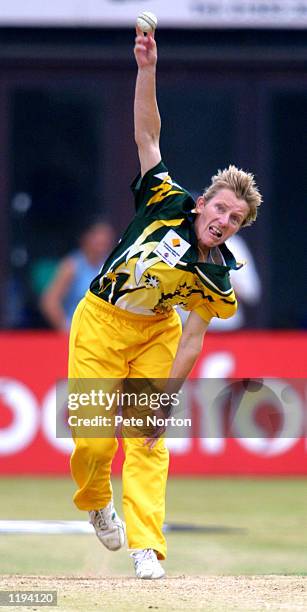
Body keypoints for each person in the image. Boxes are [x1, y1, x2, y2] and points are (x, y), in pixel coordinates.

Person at [68, 26, 262, 580]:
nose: (223, 222)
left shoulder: (218, 276)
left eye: (235, 220)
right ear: (202, 203)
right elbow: (147, 136)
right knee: (92, 440)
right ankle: (96, 503)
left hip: (157, 334)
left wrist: (164, 402)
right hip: (100, 323)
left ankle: (147, 547)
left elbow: (195, 335)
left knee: (148, 439)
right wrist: (147, 69)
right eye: (220, 210)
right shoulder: (166, 200)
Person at [40, 220, 115, 330]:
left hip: (105, 333)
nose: (102, 240)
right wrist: (66, 327)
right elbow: (49, 302)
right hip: (79, 331)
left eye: (106, 237)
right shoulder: (71, 266)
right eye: (96, 236)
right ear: (85, 238)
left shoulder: (112, 266)